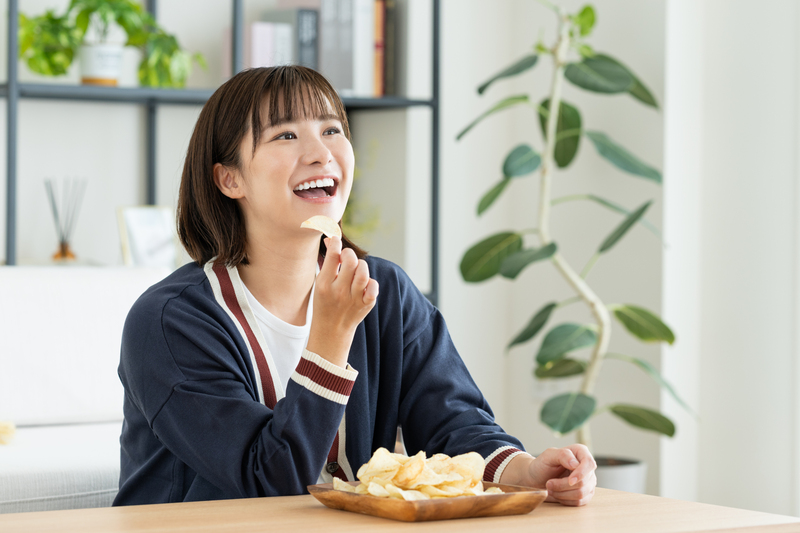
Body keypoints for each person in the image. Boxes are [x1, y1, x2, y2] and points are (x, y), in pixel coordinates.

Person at [113, 65, 596, 507]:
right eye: (285, 135)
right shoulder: (170, 322)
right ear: (229, 178)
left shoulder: (384, 290)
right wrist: (329, 338)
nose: (320, 152)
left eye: (332, 130)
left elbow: (454, 421)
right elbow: (268, 482)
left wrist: (527, 470)